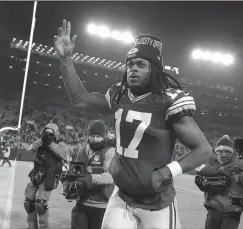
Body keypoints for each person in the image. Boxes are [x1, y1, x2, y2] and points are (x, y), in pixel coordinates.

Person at [54, 19, 213, 229]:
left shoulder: (168, 100)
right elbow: (79, 99)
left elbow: (204, 150)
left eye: (141, 64)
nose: (133, 69)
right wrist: (66, 59)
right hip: (121, 198)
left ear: (155, 69)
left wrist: (166, 172)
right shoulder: (119, 94)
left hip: (157, 203)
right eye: (130, 64)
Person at [70, 120, 115, 229]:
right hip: (82, 201)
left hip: (102, 205)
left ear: (103, 137)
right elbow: (77, 171)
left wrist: (89, 177)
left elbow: (110, 177)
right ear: (88, 136)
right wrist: (70, 178)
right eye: (92, 136)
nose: (95, 139)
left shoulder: (110, 151)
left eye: (98, 136)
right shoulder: (83, 150)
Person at [24, 123, 68, 229]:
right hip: (36, 175)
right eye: (46, 133)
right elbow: (31, 148)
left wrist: (50, 143)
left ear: (56, 134)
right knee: (28, 203)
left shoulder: (60, 144)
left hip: (50, 177)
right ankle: (31, 226)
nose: (48, 135)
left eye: (51, 133)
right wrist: (42, 140)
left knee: (40, 204)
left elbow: (63, 154)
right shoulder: (40, 142)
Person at [195, 135, 243, 229]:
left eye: (226, 151)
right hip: (213, 209)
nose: (223, 153)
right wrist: (222, 170)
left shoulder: (239, 164)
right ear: (216, 151)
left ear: (232, 152)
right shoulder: (211, 162)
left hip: (232, 210)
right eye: (220, 151)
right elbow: (199, 170)